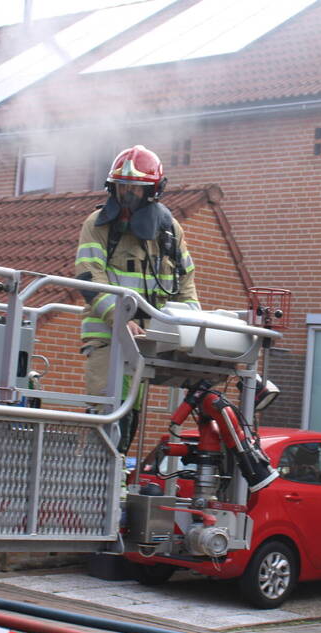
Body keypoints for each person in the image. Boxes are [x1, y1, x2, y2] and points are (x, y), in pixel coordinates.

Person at [75, 145, 199, 452]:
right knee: (108, 412)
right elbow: (89, 277)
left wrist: (191, 331)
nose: (127, 195)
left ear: (152, 191)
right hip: (108, 338)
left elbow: (186, 284)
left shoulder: (170, 231)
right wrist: (119, 318)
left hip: (148, 342)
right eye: (122, 187)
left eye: (135, 188)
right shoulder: (98, 225)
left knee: (131, 415)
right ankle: (95, 476)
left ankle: (115, 474)